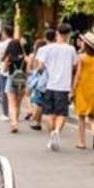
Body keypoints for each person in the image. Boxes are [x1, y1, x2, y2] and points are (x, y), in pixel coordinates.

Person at [35, 23, 78, 152]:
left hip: (50, 85)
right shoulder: (71, 49)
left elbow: (40, 66)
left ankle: (52, 134)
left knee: (49, 113)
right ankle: (57, 131)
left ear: (57, 34)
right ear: (68, 34)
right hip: (64, 87)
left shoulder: (47, 48)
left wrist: (43, 71)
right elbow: (75, 66)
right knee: (61, 113)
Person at [72, 32, 94, 150]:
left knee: (81, 116)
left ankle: (81, 142)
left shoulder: (82, 57)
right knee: (91, 115)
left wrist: (73, 89)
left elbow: (78, 75)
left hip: (82, 87)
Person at [2, 31, 27, 133]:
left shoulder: (9, 57)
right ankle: (15, 120)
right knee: (18, 103)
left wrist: (8, 64)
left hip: (12, 78)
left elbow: (4, 70)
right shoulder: (24, 57)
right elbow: (29, 69)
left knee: (11, 103)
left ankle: (14, 124)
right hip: (22, 79)